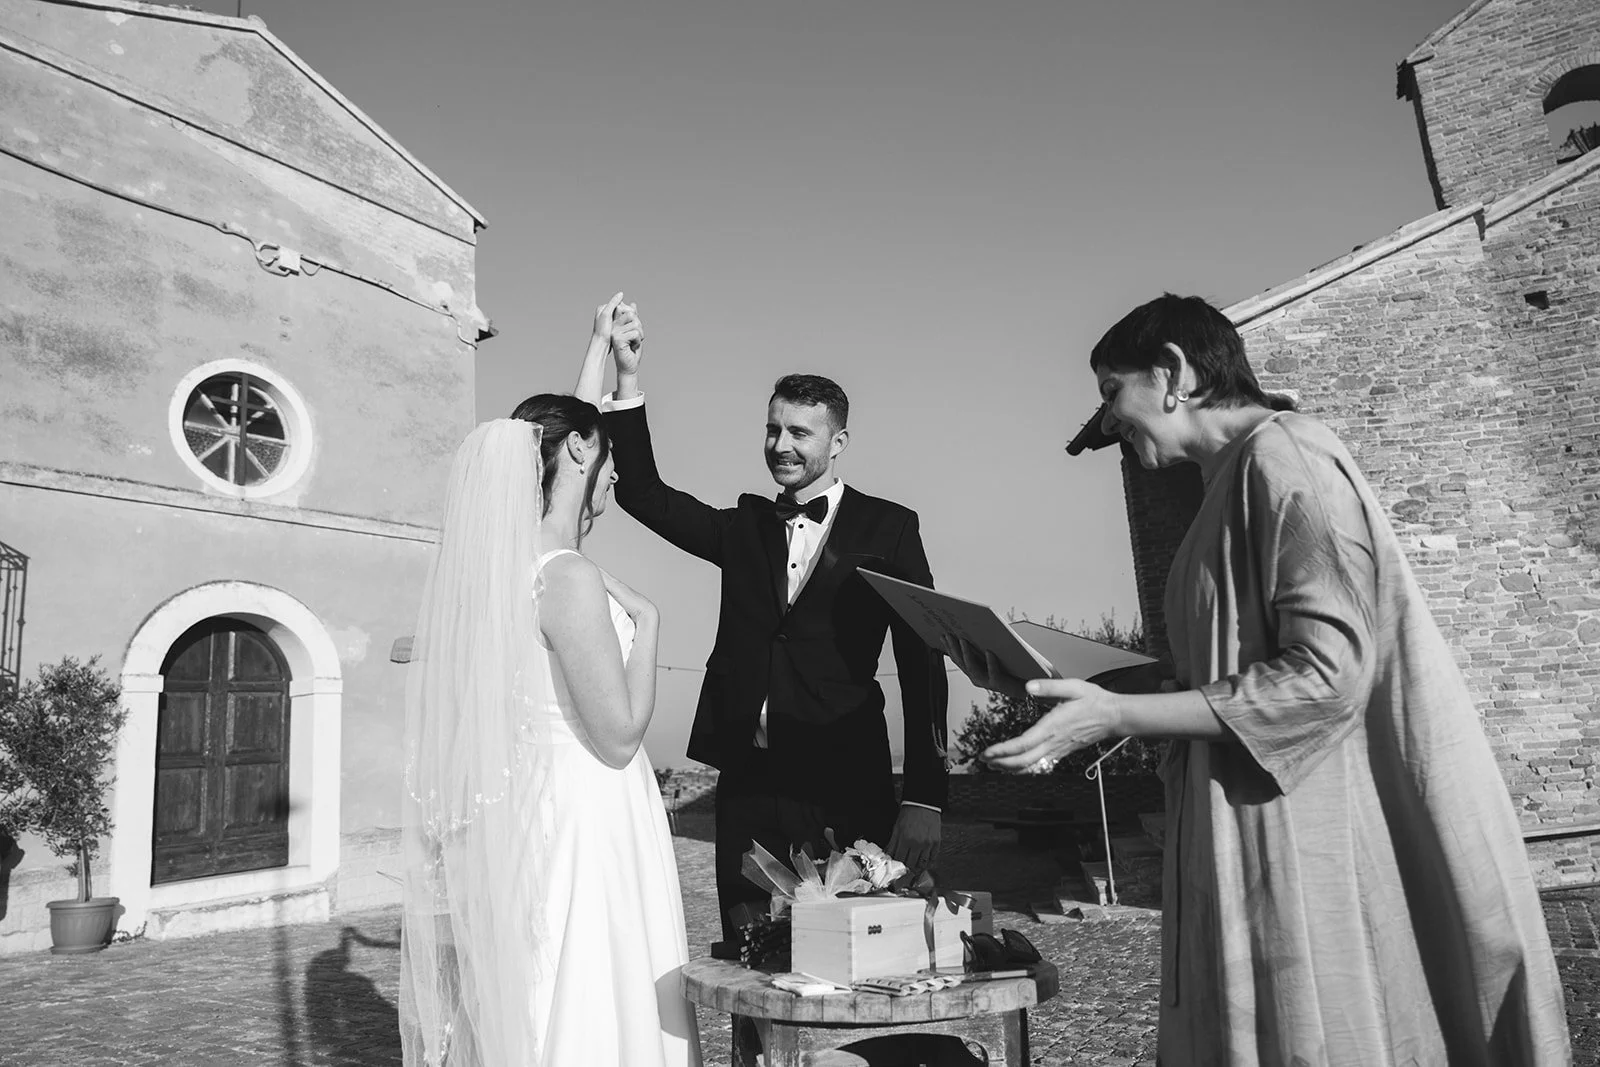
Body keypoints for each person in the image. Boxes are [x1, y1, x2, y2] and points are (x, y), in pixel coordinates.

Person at [951, 294, 1570, 1065]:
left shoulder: (1287, 456)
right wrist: (1051, 681)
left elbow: (1326, 675)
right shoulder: (1229, 482)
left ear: (1173, 371)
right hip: (1237, 832)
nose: (1110, 419)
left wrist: (1116, 716)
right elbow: (1217, 676)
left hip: (1303, 835)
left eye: (1114, 392)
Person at [575, 293, 949, 939]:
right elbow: (643, 492)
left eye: (799, 432)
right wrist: (628, 377)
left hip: (849, 782)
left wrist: (924, 794)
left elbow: (922, 659)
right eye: (773, 428)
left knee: (851, 958)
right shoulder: (743, 527)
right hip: (748, 785)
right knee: (750, 951)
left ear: (839, 441)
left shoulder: (890, 527)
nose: (780, 444)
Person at [398, 353, 701, 1064]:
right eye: (608, 457)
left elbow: (570, 427)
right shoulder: (567, 576)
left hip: (537, 805)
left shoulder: (505, 568)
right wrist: (649, 621)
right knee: (592, 978)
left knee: (546, 976)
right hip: (590, 817)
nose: (616, 476)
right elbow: (622, 734)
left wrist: (597, 349)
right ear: (578, 451)